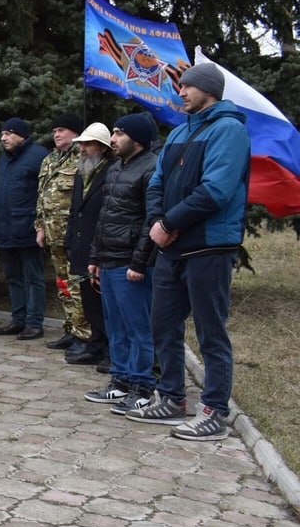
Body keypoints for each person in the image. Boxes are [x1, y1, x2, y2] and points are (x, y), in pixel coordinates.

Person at [129, 63, 251, 442]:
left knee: (211, 332)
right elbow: (157, 184)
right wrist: (157, 223)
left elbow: (217, 190)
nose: (180, 92)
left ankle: (214, 411)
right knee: (162, 323)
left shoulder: (229, 130)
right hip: (173, 249)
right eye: (180, 86)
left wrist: (168, 225)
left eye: (187, 86)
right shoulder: (180, 132)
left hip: (210, 246)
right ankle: (171, 397)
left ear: (209, 90)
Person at [84, 114, 159, 415]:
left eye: (118, 133)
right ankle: (122, 381)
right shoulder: (116, 169)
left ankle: (143, 386)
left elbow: (150, 220)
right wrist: (94, 257)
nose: (112, 139)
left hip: (131, 262)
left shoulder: (151, 168)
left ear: (137, 139)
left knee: (137, 326)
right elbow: (104, 219)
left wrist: (139, 262)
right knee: (116, 325)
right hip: (109, 259)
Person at [36, 112, 90, 350]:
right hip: (52, 234)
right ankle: (70, 329)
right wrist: (40, 228)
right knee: (63, 286)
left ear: (75, 133)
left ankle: (84, 335)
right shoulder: (49, 160)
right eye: (54, 131)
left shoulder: (84, 158)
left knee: (78, 287)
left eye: (62, 130)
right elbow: (41, 196)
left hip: (74, 236)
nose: (56, 134)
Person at [0, 118, 49, 340]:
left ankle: (34, 322)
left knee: (33, 277)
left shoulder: (38, 156)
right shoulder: (5, 159)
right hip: (5, 228)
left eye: (9, 133)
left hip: (27, 228)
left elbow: (46, 193)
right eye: (2, 134)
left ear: (22, 136)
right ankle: (18, 319)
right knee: (12, 276)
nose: (3, 138)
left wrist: (40, 226)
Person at [63, 123, 113, 368]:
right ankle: (96, 345)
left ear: (102, 148)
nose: (82, 149)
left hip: (100, 246)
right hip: (82, 246)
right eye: (81, 144)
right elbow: (75, 211)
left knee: (103, 302)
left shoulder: (111, 172)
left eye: (87, 144)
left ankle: (110, 351)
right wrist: (70, 241)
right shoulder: (82, 171)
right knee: (88, 301)